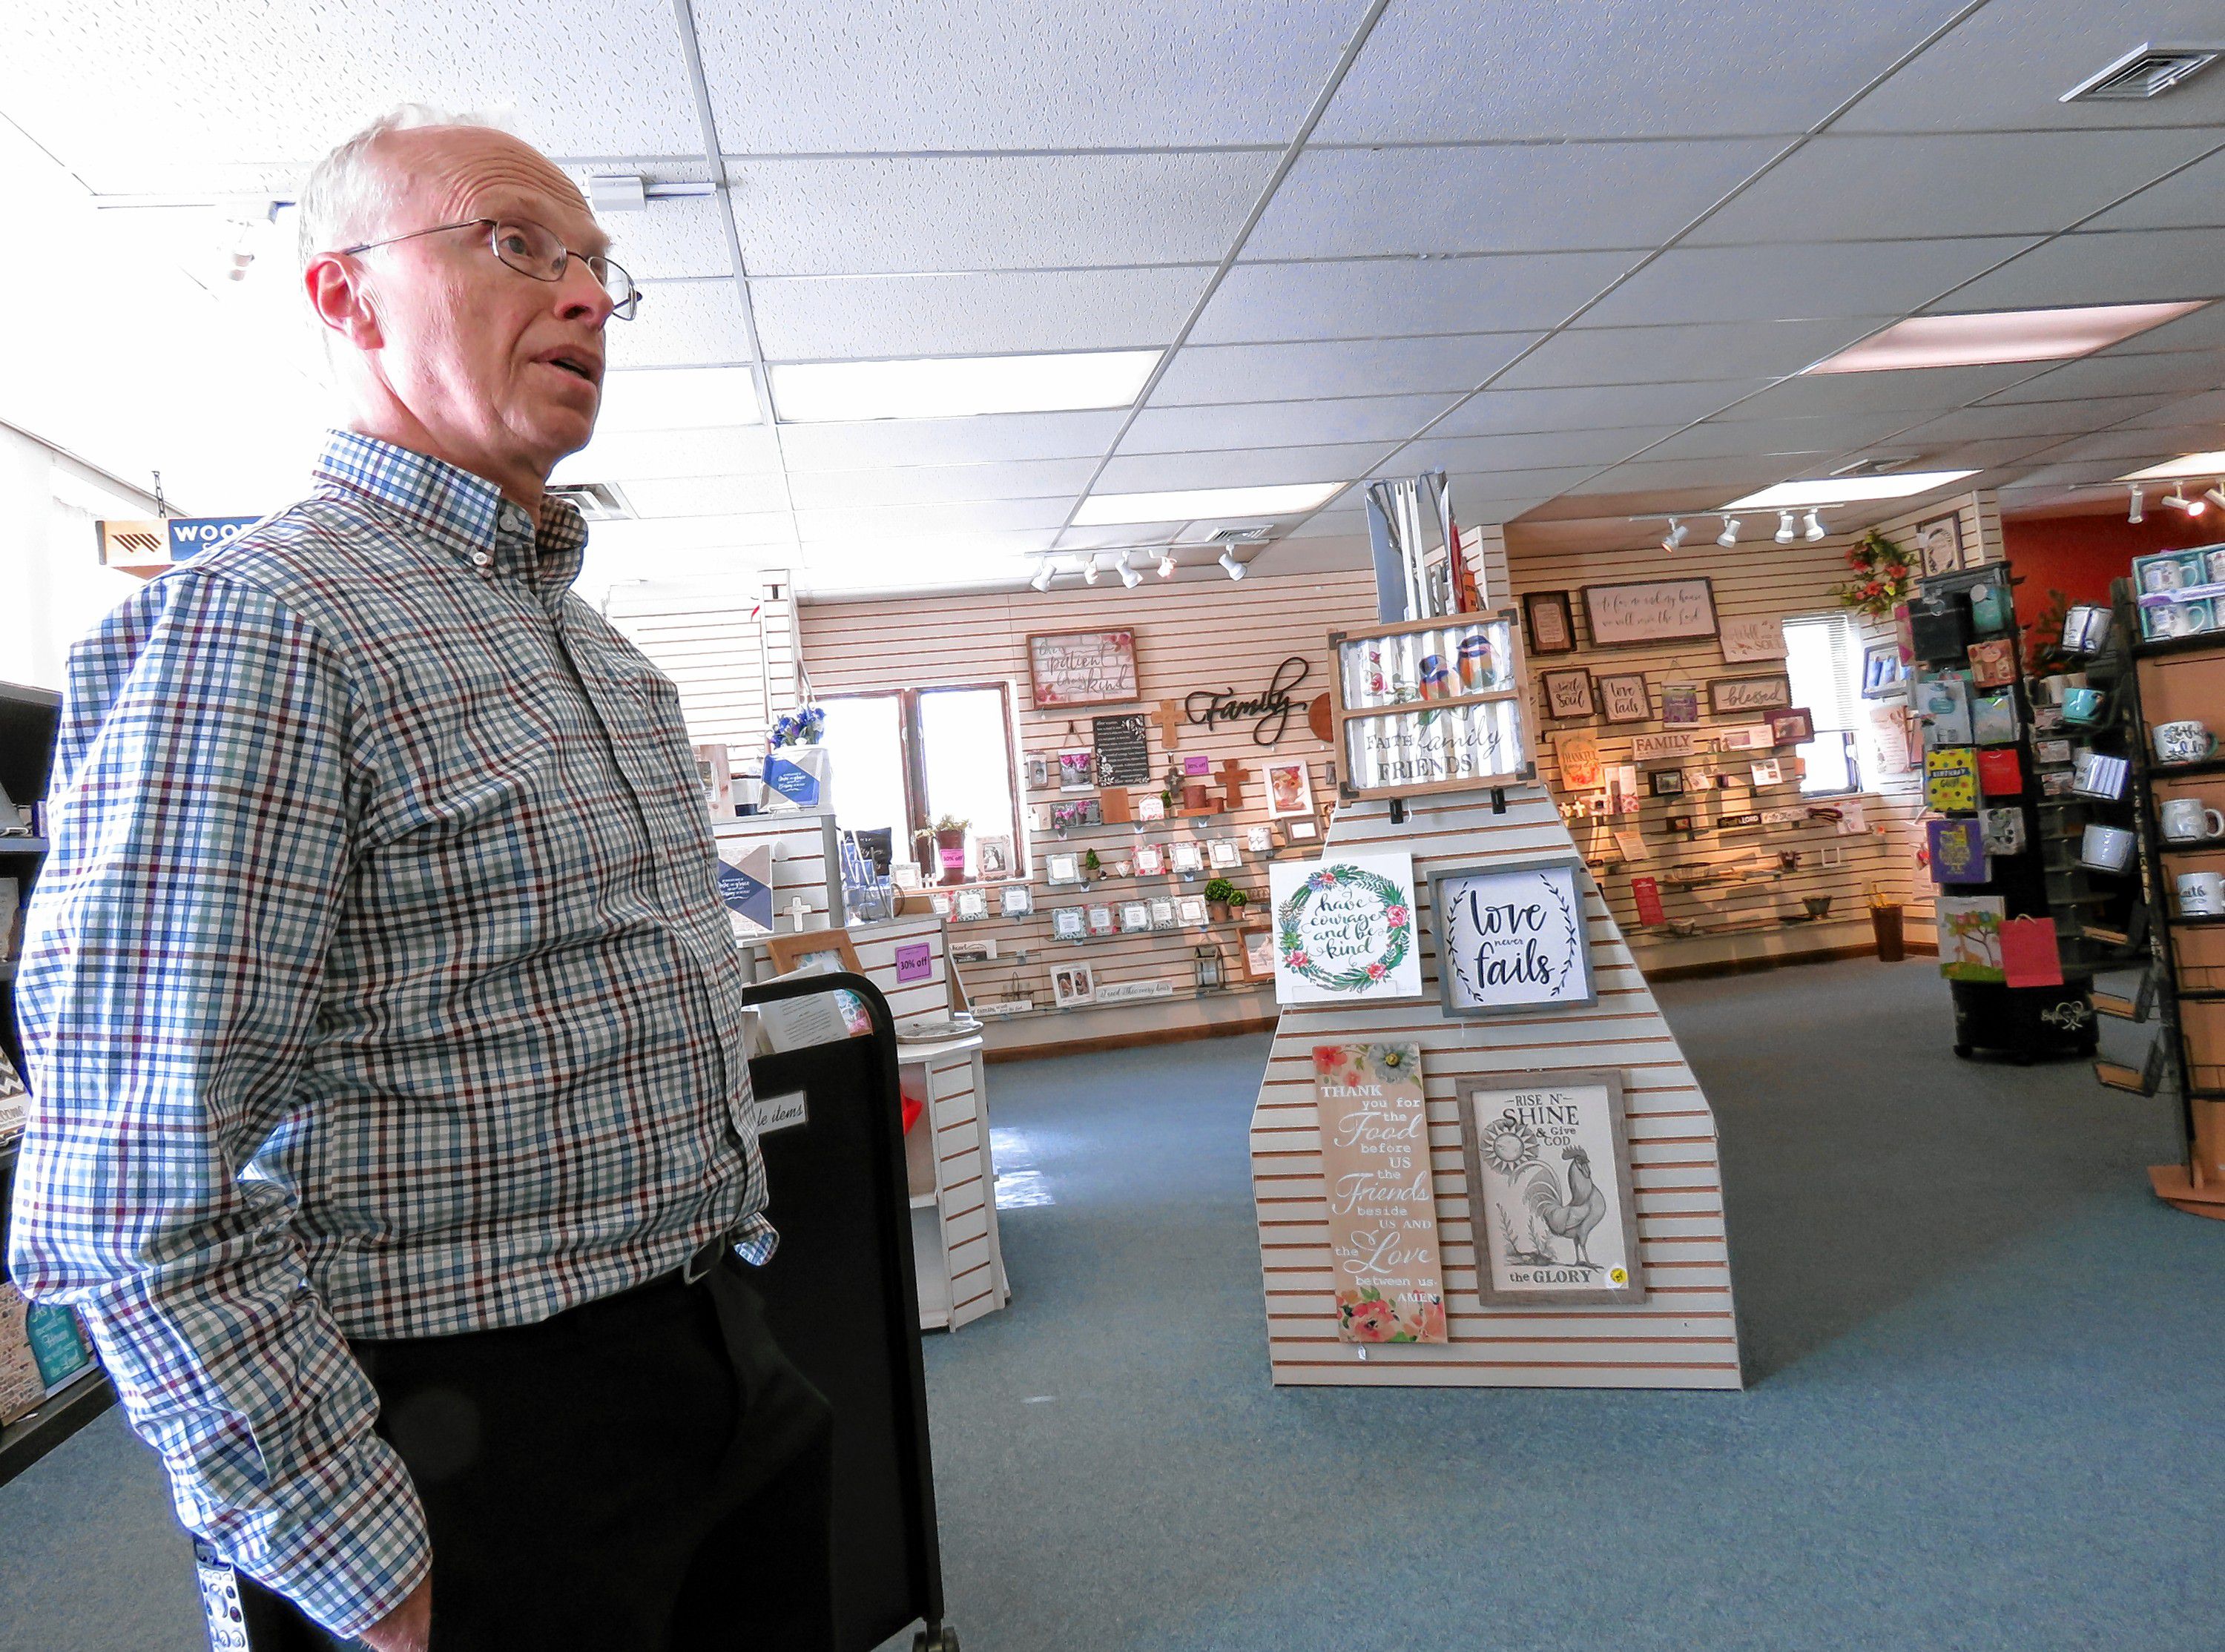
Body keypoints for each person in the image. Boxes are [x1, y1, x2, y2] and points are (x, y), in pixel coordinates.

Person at [7, 108, 833, 1651]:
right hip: (462, 1438)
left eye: (598, 265)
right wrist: (346, 1549)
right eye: (518, 244)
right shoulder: (257, 630)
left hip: (717, 1358)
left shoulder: (611, 665)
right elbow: (127, 1183)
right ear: (345, 294)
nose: (585, 295)